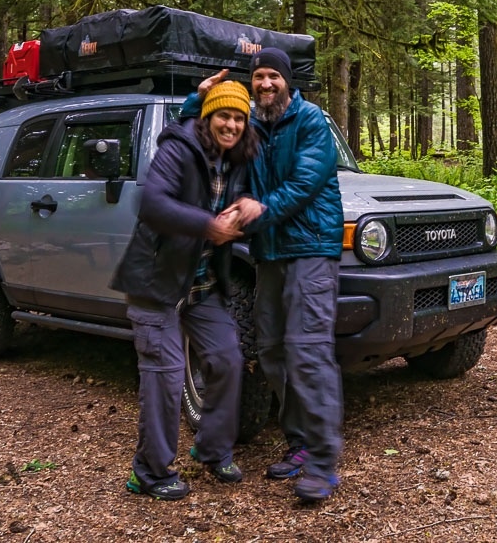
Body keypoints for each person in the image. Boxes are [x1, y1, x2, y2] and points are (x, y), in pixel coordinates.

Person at [189, 48, 345, 503]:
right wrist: (196, 102)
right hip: (269, 254)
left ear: (288, 81)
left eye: (273, 75)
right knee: (274, 350)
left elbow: (304, 184)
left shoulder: (310, 121)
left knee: (309, 351)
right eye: (258, 76)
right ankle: (299, 443)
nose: (265, 83)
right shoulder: (252, 126)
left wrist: (258, 209)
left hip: (310, 249)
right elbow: (203, 141)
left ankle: (322, 463)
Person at [109, 80, 256, 501]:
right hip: (157, 283)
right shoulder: (179, 148)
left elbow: (245, 203)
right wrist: (209, 226)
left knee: (227, 359)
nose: (231, 125)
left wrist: (251, 206)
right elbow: (152, 204)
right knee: (167, 375)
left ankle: (212, 448)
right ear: (207, 117)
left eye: (239, 118)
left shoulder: (237, 159)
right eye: (223, 115)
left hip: (202, 284)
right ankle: (148, 472)